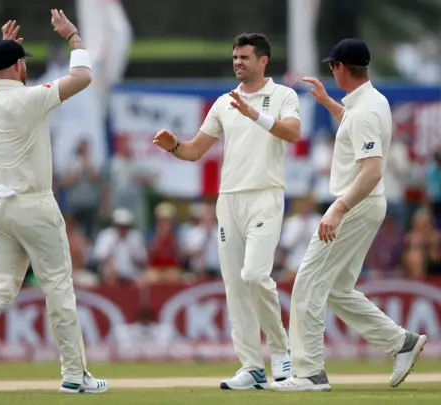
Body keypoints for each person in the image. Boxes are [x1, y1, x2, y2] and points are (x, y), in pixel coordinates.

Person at [0, 13, 108, 394]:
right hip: (35, 205)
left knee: (1, 288)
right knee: (57, 287)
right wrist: (73, 37)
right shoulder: (32, 97)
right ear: (19, 66)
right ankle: (73, 374)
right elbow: (83, 77)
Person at [271, 38, 426, 392]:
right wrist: (329, 103)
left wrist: (338, 209)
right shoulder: (369, 102)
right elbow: (355, 129)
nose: (331, 71)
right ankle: (401, 343)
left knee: (308, 283)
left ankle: (309, 373)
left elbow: (372, 169)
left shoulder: (368, 108)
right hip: (365, 203)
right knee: (338, 289)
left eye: (332, 66)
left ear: (341, 68)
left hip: (356, 203)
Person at [153, 33, 300, 390]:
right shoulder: (224, 103)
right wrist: (174, 146)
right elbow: (194, 151)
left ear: (263, 60)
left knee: (254, 275)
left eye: (245, 57)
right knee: (235, 285)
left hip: (265, 195)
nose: (238, 62)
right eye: (235, 57)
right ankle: (251, 366)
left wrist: (256, 115)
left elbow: (293, 133)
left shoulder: (283, 96)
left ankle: (281, 352)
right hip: (229, 201)